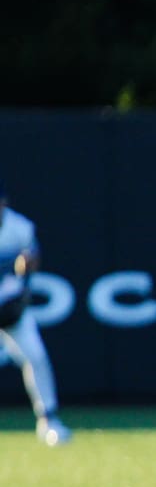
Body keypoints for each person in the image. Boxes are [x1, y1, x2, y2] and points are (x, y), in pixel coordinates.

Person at [0, 179, 72, 446]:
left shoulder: (20, 228)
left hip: (11, 309)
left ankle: (49, 419)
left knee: (36, 357)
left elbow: (31, 264)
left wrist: (27, 267)